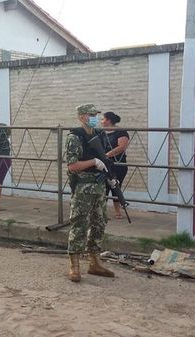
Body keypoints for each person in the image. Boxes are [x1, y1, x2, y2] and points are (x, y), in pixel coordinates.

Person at [66, 104, 115, 282]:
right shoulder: (74, 137)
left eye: (96, 114)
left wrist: (110, 176)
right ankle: (74, 265)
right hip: (83, 187)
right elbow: (72, 167)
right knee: (79, 224)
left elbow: (104, 159)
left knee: (99, 222)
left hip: (99, 186)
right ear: (81, 117)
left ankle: (94, 262)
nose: (94, 117)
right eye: (91, 114)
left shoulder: (98, 135)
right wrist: (93, 161)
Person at [102, 111, 130, 219]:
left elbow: (121, 147)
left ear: (108, 120)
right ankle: (101, 211)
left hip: (118, 164)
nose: (101, 121)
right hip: (104, 164)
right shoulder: (101, 132)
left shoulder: (121, 132)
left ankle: (118, 211)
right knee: (103, 188)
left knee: (115, 187)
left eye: (103, 119)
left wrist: (107, 155)